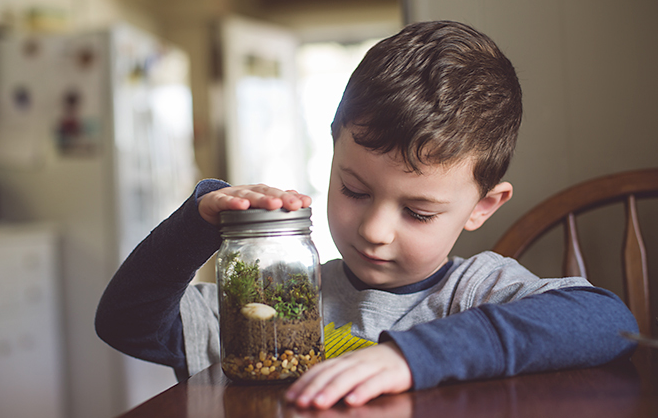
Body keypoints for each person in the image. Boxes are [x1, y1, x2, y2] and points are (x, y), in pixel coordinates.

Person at [96, 21, 637, 409]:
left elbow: (609, 323)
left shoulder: (477, 291)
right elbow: (126, 323)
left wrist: (411, 357)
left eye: (418, 212)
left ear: (483, 207)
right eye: (353, 190)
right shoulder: (283, 306)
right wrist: (199, 222)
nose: (375, 231)